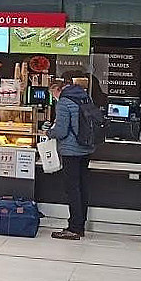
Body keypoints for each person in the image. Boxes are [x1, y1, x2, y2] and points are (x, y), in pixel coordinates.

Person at [46, 80, 96, 240]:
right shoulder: (85, 97)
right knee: (82, 187)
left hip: (71, 150)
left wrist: (48, 132)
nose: (53, 97)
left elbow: (61, 131)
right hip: (86, 148)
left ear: (57, 90)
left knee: (72, 189)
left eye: (52, 94)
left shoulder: (64, 102)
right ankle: (80, 225)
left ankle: (74, 228)